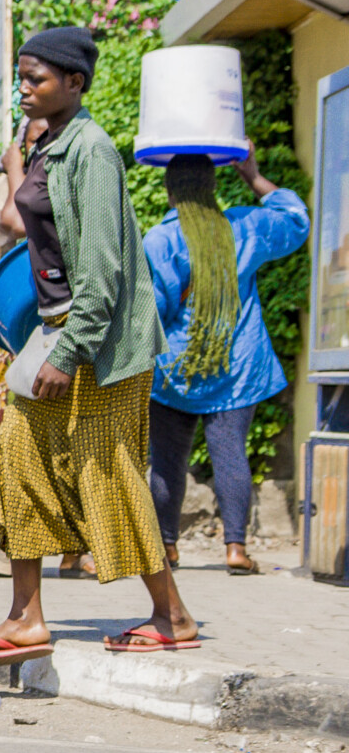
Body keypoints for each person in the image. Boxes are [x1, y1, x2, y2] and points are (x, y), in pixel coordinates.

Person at [0, 26, 197, 667]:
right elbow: (20, 224)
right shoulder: (51, 147)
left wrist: (69, 352)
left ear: (74, 83)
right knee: (18, 458)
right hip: (58, 327)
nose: (25, 90)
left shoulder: (90, 150)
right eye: (22, 79)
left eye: (36, 79)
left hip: (97, 342)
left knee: (108, 471)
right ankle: (25, 617)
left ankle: (171, 615)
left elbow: (104, 267)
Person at [143, 149, 308, 576]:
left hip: (176, 370)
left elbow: (154, 310)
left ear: (169, 190)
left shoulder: (159, 241)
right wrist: (254, 178)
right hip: (237, 366)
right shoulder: (244, 226)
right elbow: (294, 220)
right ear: (213, 187)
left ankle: (166, 548)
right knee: (232, 456)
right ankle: (235, 549)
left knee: (166, 462)